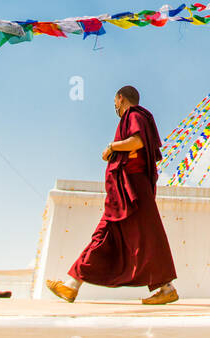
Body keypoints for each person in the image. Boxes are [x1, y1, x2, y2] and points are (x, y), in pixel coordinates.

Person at [46, 85, 179, 305]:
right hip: (122, 192)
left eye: (115, 102)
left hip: (134, 188)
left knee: (147, 236)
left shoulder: (135, 115)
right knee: (106, 236)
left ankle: (166, 287)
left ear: (120, 98)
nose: (115, 106)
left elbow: (137, 142)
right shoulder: (133, 117)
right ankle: (71, 286)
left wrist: (111, 146)